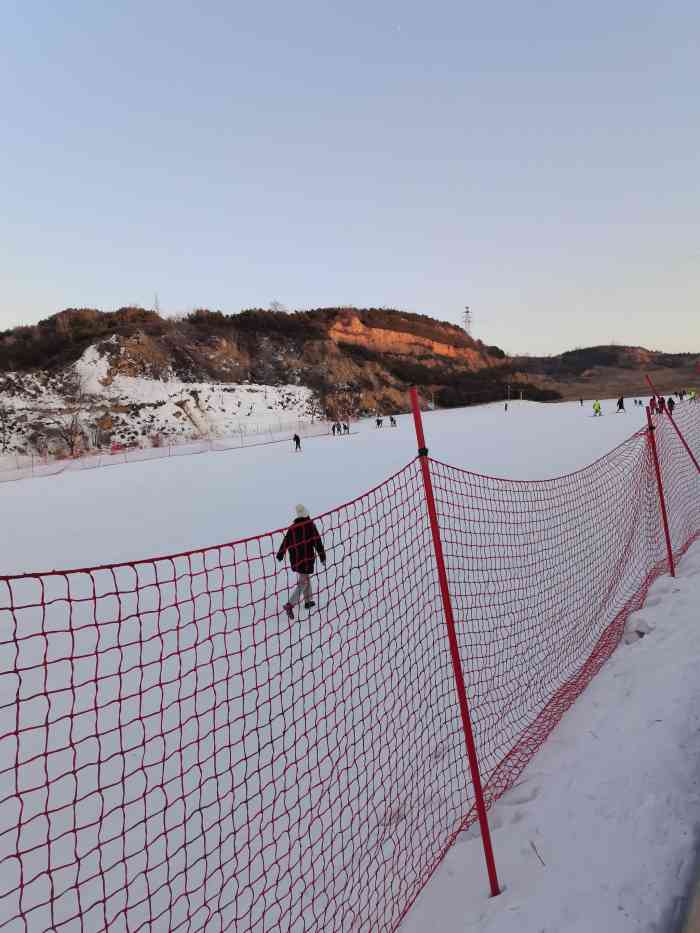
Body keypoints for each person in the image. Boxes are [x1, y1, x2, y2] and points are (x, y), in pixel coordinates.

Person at [277, 504, 326, 619]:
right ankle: (290, 604)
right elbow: (317, 542)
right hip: (306, 559)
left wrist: (281, 553)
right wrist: (322, 556)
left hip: (296, 559)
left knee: (305, 578)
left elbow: (286, 541)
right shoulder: (310, 526)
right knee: (304, 581)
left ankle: (308, 601)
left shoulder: (292, 528)